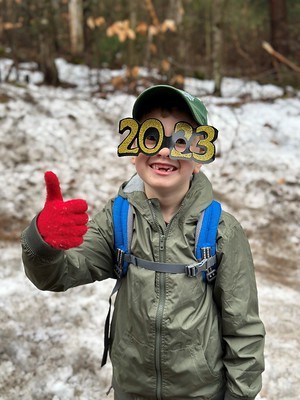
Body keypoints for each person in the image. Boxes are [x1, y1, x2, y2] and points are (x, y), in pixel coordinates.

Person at [21, 85, 265, 400]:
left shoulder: (221, 231)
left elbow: (243, 329)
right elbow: (56, 275)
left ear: (200, 157)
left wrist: (239, 396)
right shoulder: (118, 219)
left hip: (200, 392)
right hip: (131, 390)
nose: (164, 151)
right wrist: (42, 242)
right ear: (135, 148)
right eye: (152, 137)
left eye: (181, 140)